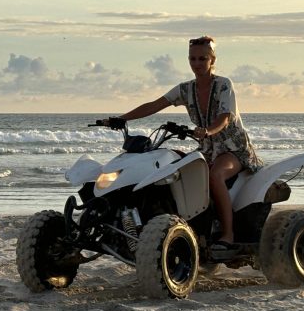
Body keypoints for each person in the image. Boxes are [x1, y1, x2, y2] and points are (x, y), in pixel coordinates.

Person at [105, 35, 262, 251]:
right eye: (193, 59)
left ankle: (228, 233)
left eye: (202, 59)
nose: (197, 64)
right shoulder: (185, 89)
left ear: (212, 60)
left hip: (233, 149)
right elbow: (154, 105)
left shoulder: (224, 85)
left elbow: (225, 117)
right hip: (207, 149)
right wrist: (121, 119)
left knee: (215, 175)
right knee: (177, 171)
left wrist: (208, 130)